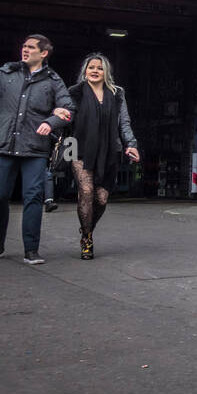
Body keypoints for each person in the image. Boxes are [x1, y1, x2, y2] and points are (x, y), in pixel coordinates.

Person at [0, 31, 74, 265]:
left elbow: (68, 109)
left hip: (34, 148)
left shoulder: (53, 81)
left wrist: (51, 121)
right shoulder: (8, 71)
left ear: (44, 53)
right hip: (4, 145)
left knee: (33, 198)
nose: (25, 50)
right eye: (24, 46)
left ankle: (31, 250)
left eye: (31, 47)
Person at [65, 54, 140, 260]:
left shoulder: (117, 93)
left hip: (110, 151)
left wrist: (131, 145)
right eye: (91, 67)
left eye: (99, 68)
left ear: (105, 71)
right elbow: (66, 115)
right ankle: (87, 239)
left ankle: (87, 227)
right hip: (79, 149)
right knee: (87, 192)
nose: (95, 70)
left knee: (102, 199)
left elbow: (124, 122)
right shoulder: (75, 92)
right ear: (85, 70)